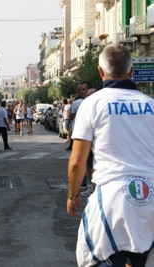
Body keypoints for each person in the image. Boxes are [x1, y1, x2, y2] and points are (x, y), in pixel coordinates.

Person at [67, 44, 154, 267]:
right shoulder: (151, 105)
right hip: (150, 197)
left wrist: (73, 194)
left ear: (100, 71)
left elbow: (77, 161)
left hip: (111, 199)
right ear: (131, 71)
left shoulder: (92, 104)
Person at [65, 82, 90, 150]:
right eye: (80, 90)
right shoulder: (76, 102)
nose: (81, 91)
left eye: (83, 89)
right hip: (80, 129)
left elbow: (71, 116)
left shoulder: (77, 102)